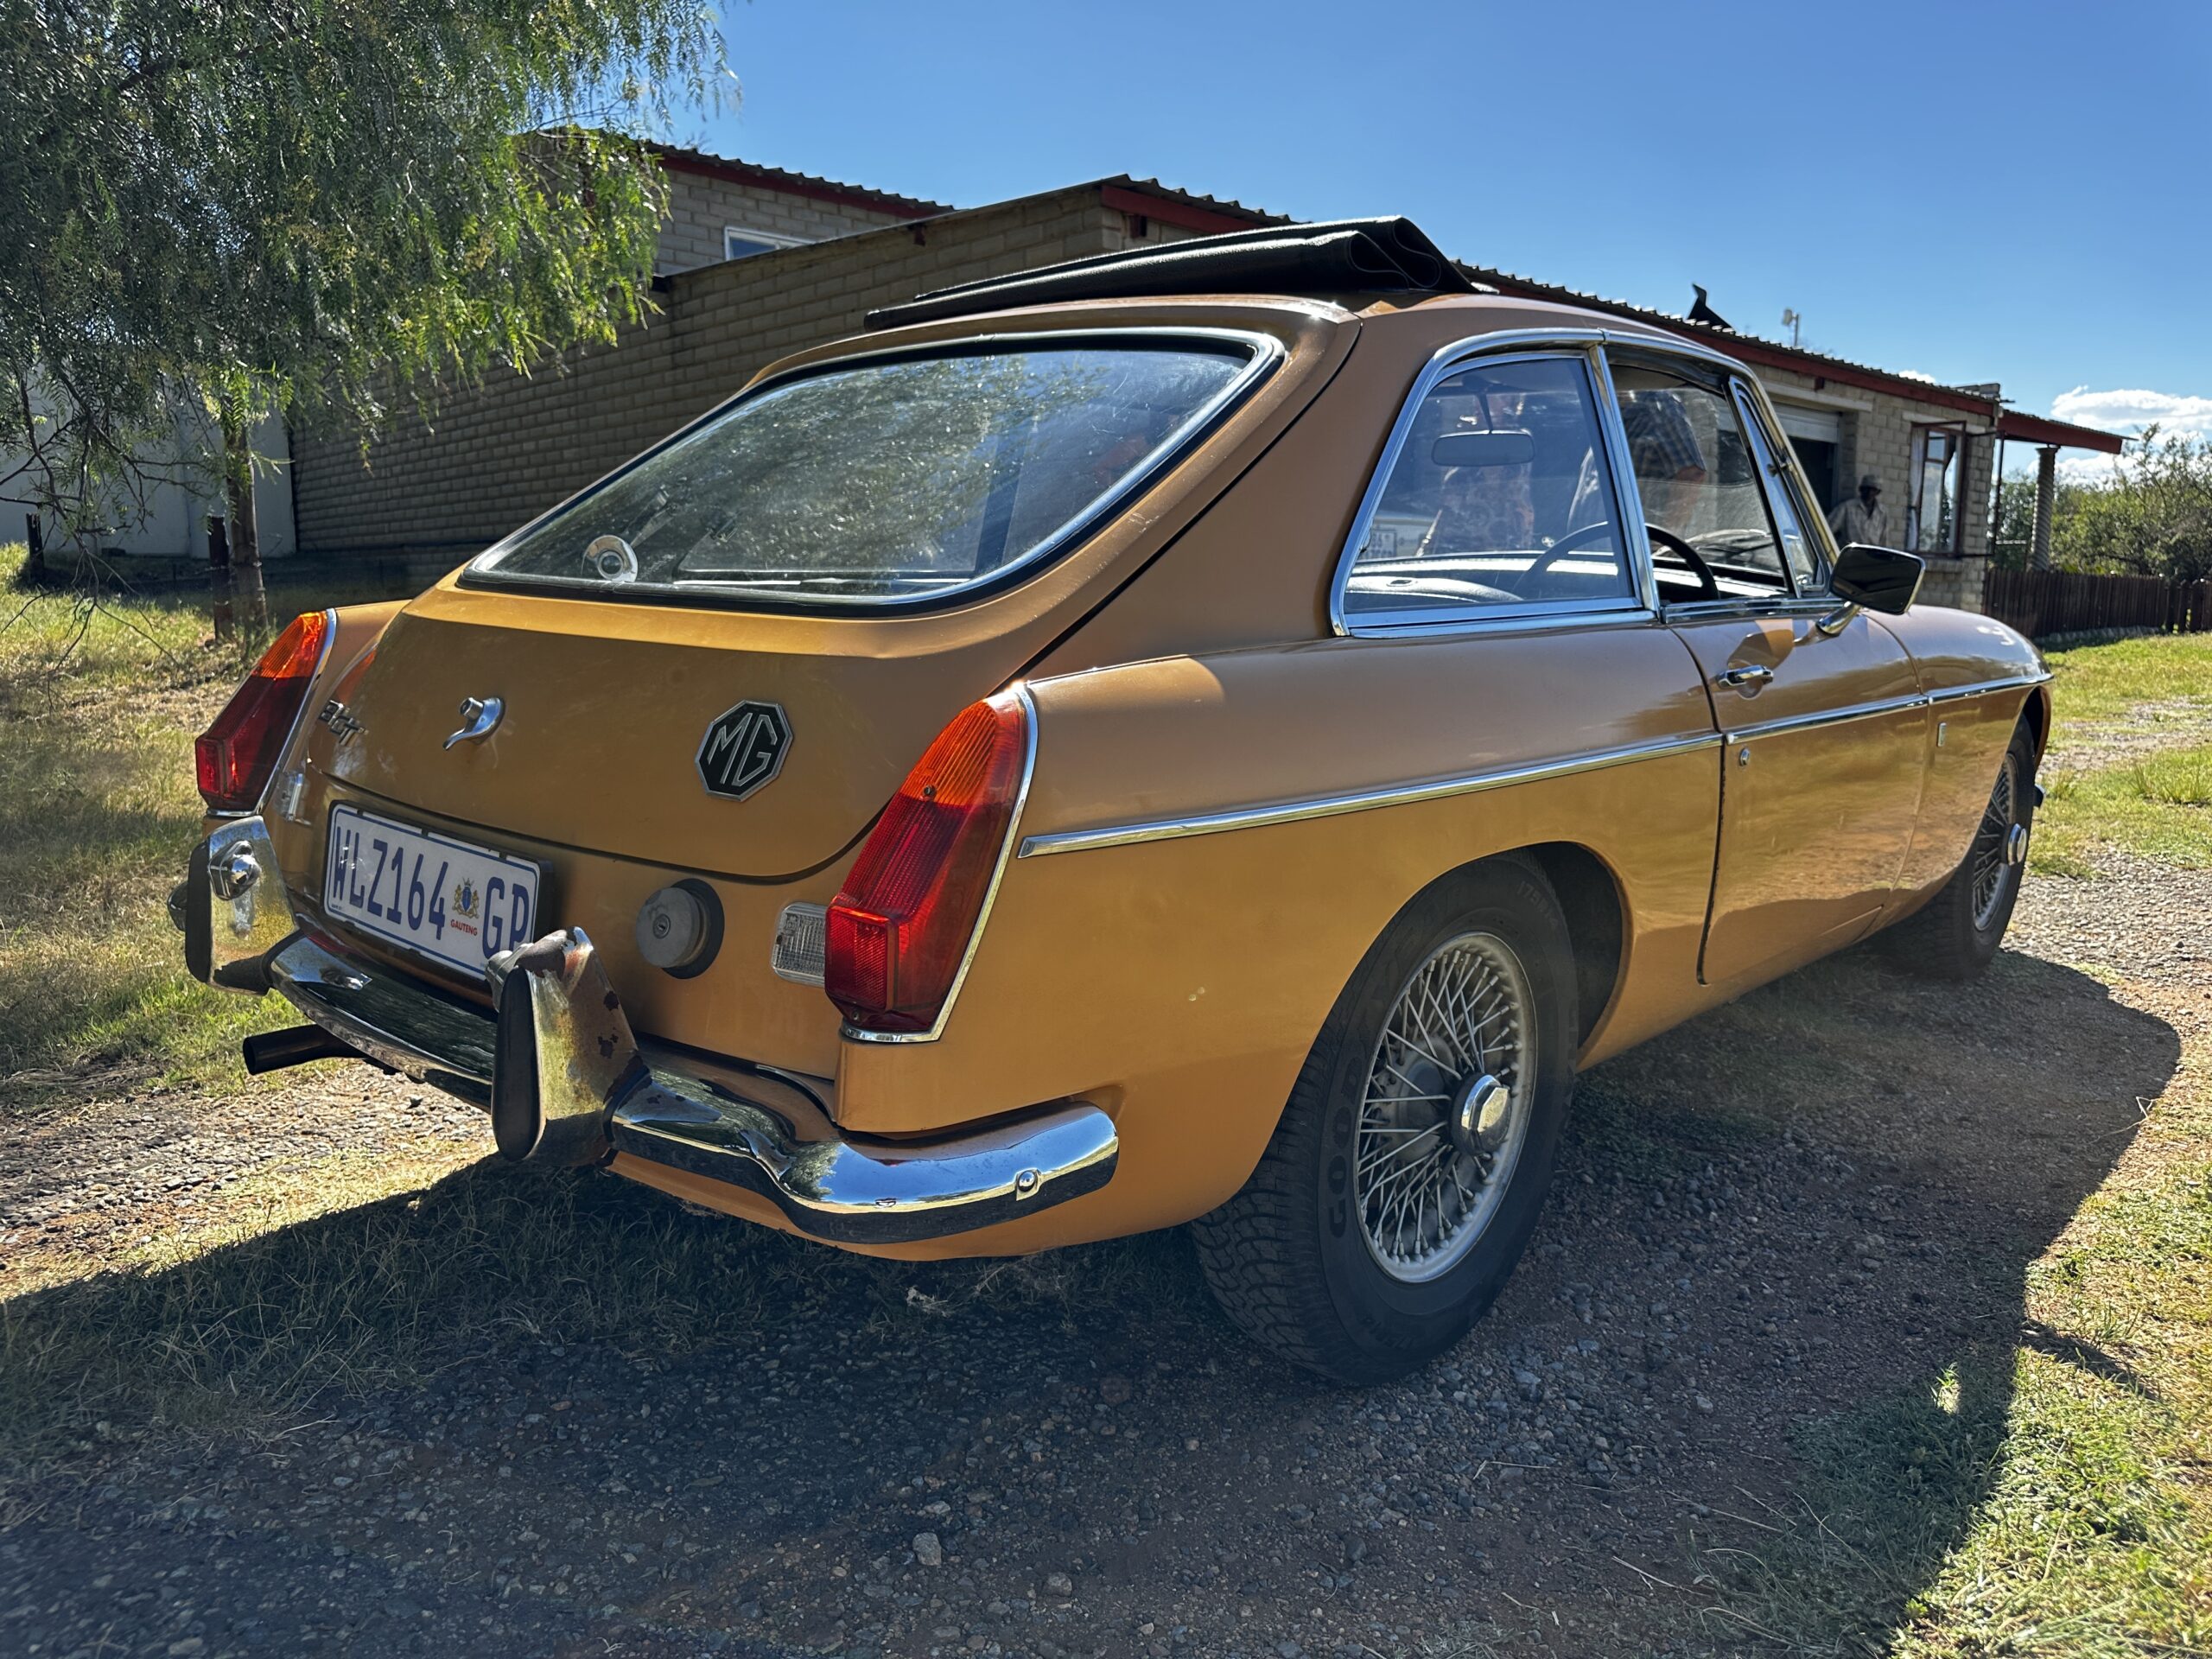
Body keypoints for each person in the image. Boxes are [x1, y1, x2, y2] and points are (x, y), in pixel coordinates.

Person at [1827, 474, 1889, 547]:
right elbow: (1828, 529)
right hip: (1851, 552)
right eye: (1867, 489)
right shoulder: (1847, 507)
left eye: (1873, 490)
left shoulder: (1882, 512)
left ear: (1878, 492)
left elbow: (1884, 538)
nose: (1869, 493)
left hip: (1871, 554)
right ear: (1861, 489)